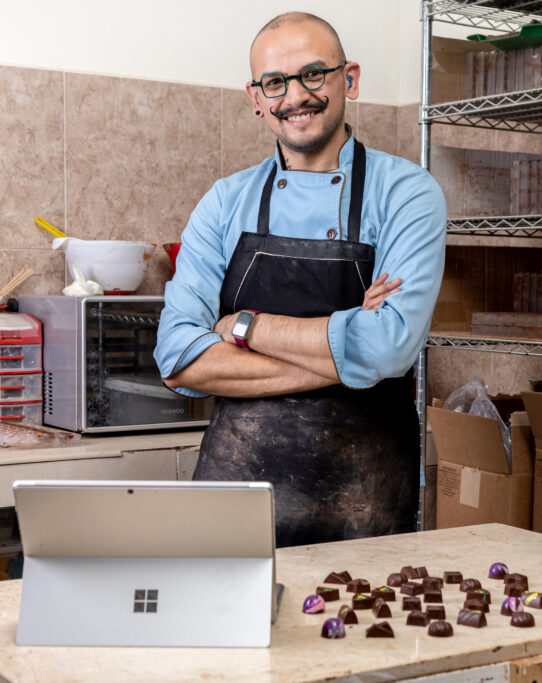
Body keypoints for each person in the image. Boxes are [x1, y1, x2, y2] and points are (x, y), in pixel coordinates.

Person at [154, 11, 447, 547]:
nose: (295, 96)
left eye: (313, 74)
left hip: (367, 507)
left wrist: (243, 327)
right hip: (232, 508)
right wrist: (352, 349)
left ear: (349, 79)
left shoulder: (407, 193)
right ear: (256, 97)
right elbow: (177, 358)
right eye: (275, 82)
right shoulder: (224, 202)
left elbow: (390, 349)